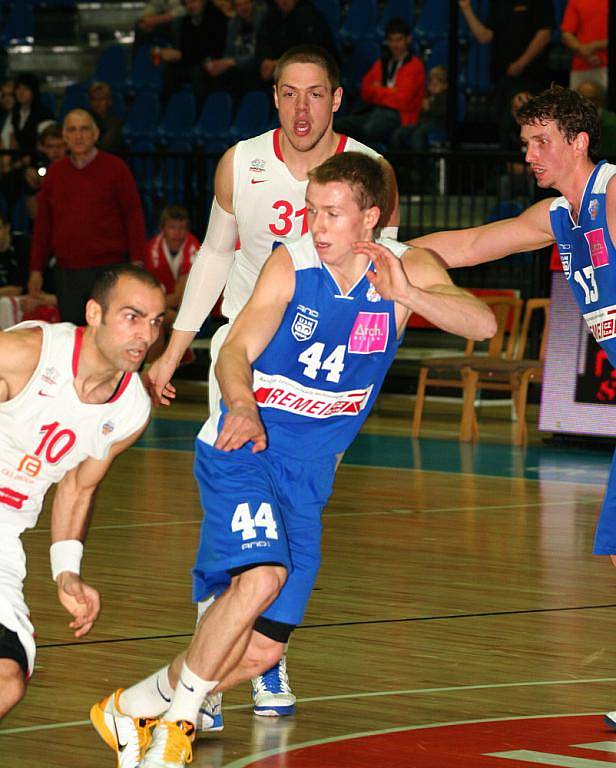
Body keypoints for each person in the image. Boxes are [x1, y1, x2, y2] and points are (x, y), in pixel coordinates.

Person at [91, 151, 496, 768]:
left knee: (259, 655)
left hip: (308, 481)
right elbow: (235, 349)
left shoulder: (407, 265)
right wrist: (240, 405)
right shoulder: (292, 261)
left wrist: (409, 293)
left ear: (371, 219)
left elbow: (483, 324)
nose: (317, 225)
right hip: (244, 449)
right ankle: (176, 729)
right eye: (312, 211)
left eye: (331, 214)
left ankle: (129, 706)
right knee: (260, 579)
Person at [143, 43, 401, 728]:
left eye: (315, 93)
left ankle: (263, 653)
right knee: (237, 519)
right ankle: (209, 681)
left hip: (320, 379)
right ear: (274, 96)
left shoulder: (370, 173)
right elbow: (215, 256)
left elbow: (386, 285)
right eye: (288, 92)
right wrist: (176, 347)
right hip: (244, 359)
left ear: (337, 98)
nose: (302, 107)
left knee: (292, 519)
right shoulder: (243, 162)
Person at [405, 83, 616, 728]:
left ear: (578, 143)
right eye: (525, 142)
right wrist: (388, 250)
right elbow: (467, 244)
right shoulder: (558, 217)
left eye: (541, 141)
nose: (528, 153)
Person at [0, 263, 166, 720]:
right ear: (94, 313)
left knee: (7, 678)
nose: (145, 335)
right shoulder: (26, 355)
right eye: (132, 317)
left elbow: (77, 485)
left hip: (4, 539)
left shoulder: (131, 409)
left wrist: (65, 572)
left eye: (155, 322)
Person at [27, 109, 147, 326]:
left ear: (96, 134)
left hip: (109, 270)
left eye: (84, 129)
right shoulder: (54, 173)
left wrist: (138, 261)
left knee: (111, 332)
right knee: (74, 336)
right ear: (64, 136)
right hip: (67, 272)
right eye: (72, 130)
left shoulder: (116, 169)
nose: (78, 135)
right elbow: (43, 226)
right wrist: (36, 269)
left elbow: (133, 217)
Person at [458, 0, 554, 132]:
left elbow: (544, 34)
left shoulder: (539, 3)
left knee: (529, 119)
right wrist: (466, 8)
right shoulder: (498, 3)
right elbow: (484, 36)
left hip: (531, 75)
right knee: (505, 125)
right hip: (502, 75)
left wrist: (521, 63)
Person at [336, 18, 425, 148]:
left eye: (399, 40)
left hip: (400, 117)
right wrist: (390, 92)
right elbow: (365, 91)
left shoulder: (415, 66)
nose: (395, 45)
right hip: (374, 111)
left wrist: (378, 90)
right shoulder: (381, 63)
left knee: (369, 129)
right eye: (391, 40)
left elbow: (403, 100)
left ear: (408, 40)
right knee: (338, 125)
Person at [144, 204, 200, 359]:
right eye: (172, 228)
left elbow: (178, 299)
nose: (177, 233)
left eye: (182, 228)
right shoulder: (151, 250)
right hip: (162, 310)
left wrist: (156, 306)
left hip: (193, 312)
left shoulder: (193, 248)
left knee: (158, 320)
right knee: (156, 320)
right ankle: (152, 369)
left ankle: (155, 371)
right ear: (162, 229)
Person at [159, 0, 229, 107]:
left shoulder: (216, 18)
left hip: (212, 62)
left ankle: (200, 113)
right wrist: (175, 55)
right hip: (191, 60)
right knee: (170, 68)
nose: (191, 5)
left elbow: (213, 49)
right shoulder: (187, 21)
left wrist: (181, 55)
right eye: (187, 3)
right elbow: (185, 48)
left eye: (194, 1)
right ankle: (170, 111)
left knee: (197, 73)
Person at [255, 0, 339, 85]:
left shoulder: (311, 15)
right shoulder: (270, 17)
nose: (284, 1)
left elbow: (314, 51)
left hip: (310, 68)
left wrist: (280, 63)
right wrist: (264, 61)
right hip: (276, 70)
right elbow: (262, 43)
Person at [201, 0, 267, 103]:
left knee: (241, 77)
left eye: (246, 3)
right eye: (239, 5)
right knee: (210, 76)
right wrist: (219, 64)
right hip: (235, 63)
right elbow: (229, 51)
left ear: (252, 3)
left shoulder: (263, 20)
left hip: (256, 63)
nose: (244, 8)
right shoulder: (233, 23)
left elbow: (260, 54)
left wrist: (231, 62)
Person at [390, 64, 447, 150]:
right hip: (422, 124)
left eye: (436, 84)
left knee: (418, 134)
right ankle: (401, 160)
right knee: (399, 133)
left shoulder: (446, 97)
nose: (432, 87)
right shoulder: (427, 95)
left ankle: (420, 162)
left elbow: (443, 113)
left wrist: (429, 108)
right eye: (430, 83)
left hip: (438, 125)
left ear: (445, 85)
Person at [561, 0, 608, 90]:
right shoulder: (575, 1)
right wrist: (583, 51)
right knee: (576, 102)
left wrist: (595, 45)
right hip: (581, 65)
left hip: (605, 65)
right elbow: (566, 33)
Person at [575, 80, 616, 158]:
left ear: (600, 100)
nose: (584, 103)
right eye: (580, 98)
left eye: (590, 99)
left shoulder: (612, 123)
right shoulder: (571, 121)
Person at [88, 82, 124, 154]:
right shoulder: (85, 120)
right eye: (94, 99)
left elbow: (104, 148)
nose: (97, 103)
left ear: (109, 101)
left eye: (101, 99)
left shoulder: (115, 123)